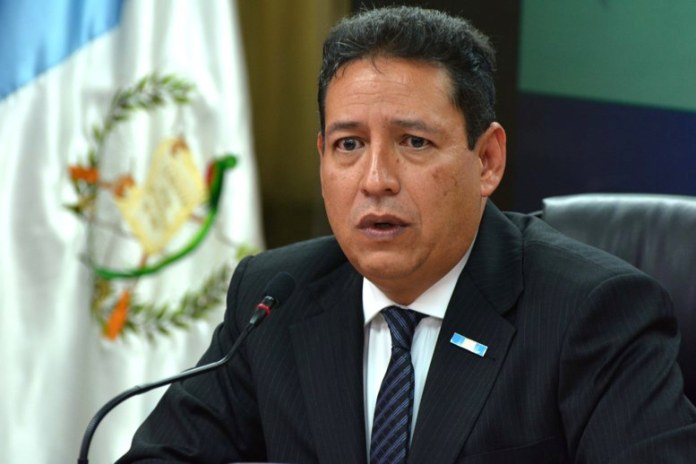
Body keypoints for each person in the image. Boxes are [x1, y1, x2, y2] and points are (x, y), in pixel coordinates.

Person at [118, 6, 696, 463]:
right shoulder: (273, 297)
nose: (375, 180)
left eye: (414, 142)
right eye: (349, 144)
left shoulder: (591, 314)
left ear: (487, 160)